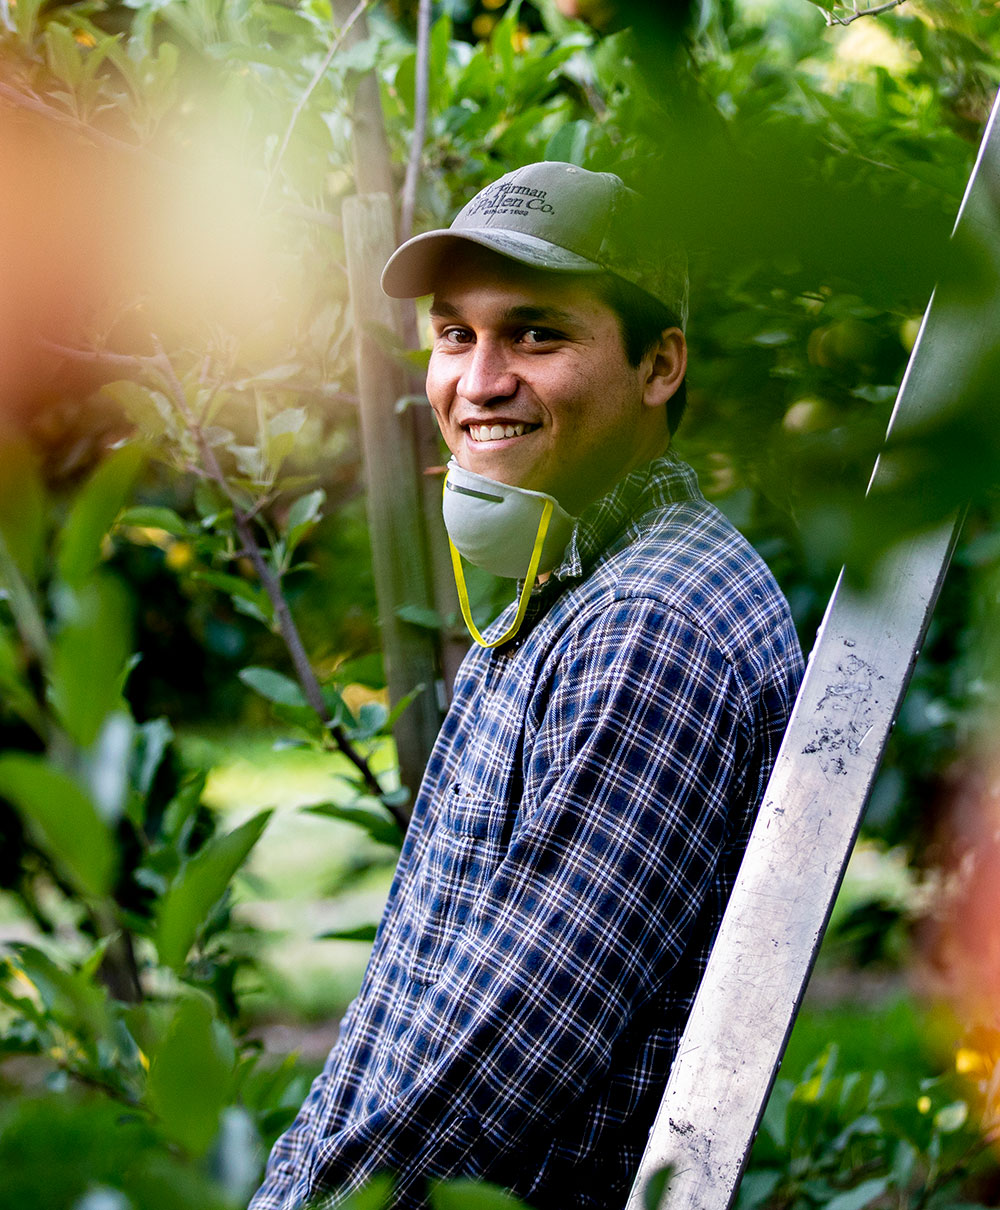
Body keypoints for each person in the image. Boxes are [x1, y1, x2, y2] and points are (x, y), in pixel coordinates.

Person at [250, 161, 804, 1210]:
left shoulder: (652, 625)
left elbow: (503, 1055)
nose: (479, 379)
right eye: (454, 334)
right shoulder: (570, 582)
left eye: (537, 335)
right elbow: (416, 1006)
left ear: (658, 366)